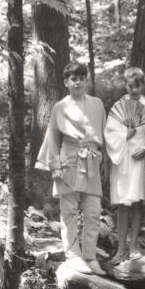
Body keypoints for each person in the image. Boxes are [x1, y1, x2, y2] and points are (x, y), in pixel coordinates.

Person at [35, 61, 108, 275]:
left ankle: (90, 256)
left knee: (93, 212)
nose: (78, 82)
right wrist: (54, 165)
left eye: (81, 78)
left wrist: (105, 161)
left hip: (92, 161)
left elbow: (103, 134)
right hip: (69, 160)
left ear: (87, 80)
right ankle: (73, 255)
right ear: (66, 82)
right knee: (69, 213)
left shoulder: (97, 104)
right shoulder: (60, 106)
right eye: (73, 79)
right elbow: (52, 137)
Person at [104, 67, 145, 264]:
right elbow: (109, 133)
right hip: (122, 158)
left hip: (139, 160)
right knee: (122, 204)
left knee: (137, 202)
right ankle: (120, 248)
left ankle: (134, 246)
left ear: (144, 85)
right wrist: (125, 135)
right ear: (126, 85)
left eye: (138, 85)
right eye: (130, 85)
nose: (134, 89)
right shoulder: (118, 107)